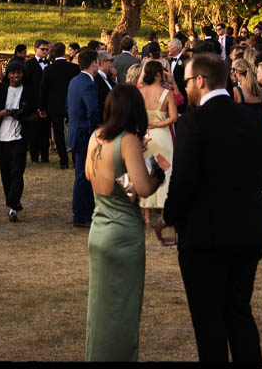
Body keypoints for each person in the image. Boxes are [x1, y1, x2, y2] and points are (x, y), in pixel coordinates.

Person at [162, 54, 262, 362]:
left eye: (185, 81)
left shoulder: (192, 122)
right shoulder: (253, 120)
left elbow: (183, 180)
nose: (184, 87)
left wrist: (168, 217)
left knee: (208, 320)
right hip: (248, 230)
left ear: (200, 80)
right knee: (239, 313)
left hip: (204, 236)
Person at [85, 84, 166, 361]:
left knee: (100, 309)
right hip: (123, 235)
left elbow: (89, 174)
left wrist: (130, 158)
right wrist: (158, 171)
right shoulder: (128, 139)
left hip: (98, 229)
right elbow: (143, 188)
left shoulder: (96, 135)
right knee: (122, 310)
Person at [135, 60, 177, 244]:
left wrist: (148, 125)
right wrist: (159, 123)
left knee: (148, 171)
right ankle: (163, 211)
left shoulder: (140, 92)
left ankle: (146, 215)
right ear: (159, 74)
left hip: (146, 135)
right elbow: (174, 117)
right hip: (162, 136)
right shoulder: (167, 93)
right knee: (165, 171)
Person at [0, 60, 35, 221]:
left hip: (20, 137)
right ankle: (11, 203)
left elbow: (34, 114)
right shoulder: (1, 91)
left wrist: (22, 115)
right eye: (12, 73)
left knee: (17, 171)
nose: (16, 76)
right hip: (3, 137)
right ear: (7, 74)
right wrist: (5, 112)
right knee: (6, 173)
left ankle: (13, 203)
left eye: (19, 73)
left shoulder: (28, 91)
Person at [67, 48, 103, 229]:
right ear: (94, 63)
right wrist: (95, 131)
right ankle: (81, 214)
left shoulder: (74, 81)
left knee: (81, 174)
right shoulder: (89, 84)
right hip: (84, 135)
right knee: (84, 175)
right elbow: (93, 111)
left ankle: (81, 211)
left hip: (75, 132)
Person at [41, 43, 79, 170]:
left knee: (58, 133)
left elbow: (43, 90)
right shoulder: (73, 68)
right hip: (71, 103)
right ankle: (75, 158)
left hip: (54, 105)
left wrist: (42, 107)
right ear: (64, 53)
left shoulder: (48, 70)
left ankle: (63, 160)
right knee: (73, 130)